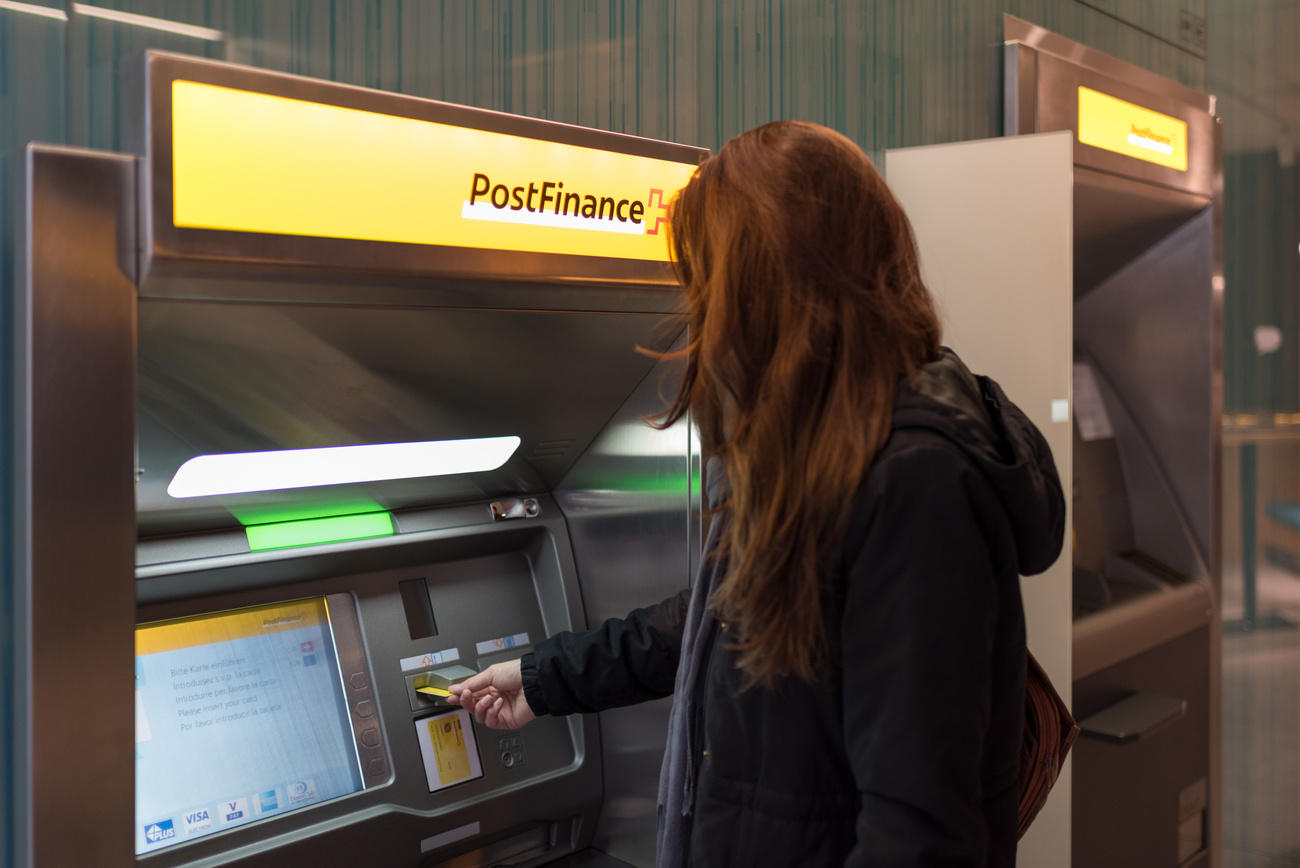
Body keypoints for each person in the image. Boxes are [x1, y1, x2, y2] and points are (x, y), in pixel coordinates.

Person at [449, 120, 1065, 868]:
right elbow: (725, 623)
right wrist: (543, 678)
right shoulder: (818, 447)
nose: (698, 319)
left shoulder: (913, 479)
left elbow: (919, 829)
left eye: (706, 287)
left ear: (766, 289)